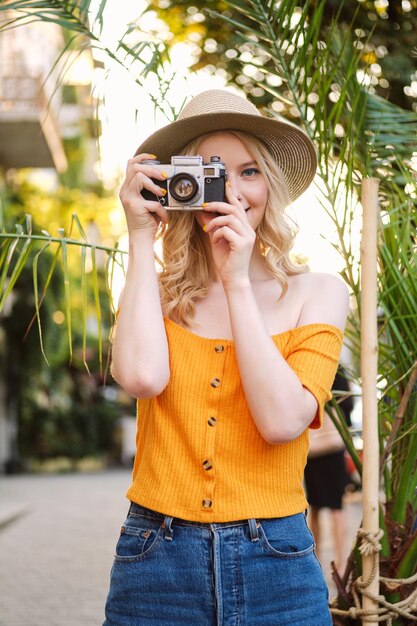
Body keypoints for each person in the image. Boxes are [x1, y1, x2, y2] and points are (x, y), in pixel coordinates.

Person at [104, 89, 349, 626]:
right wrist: (140, 236)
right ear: (179, 186)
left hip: (277, 560)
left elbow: (284, 421)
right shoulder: (158, 295)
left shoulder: (319, 292)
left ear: (271, 187)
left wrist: (236, 281)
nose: (231, 190)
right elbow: (142, 378)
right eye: (210, 171)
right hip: (155, 557)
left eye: (248, 172)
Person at [304, 367, 354, 570]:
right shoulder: (338, 370)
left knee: (315, 507)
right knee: (336, 507)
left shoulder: (310, 366)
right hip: (332, 451)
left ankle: (314, 560)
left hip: (313, 451)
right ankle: (341, 562)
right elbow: (348, 405)